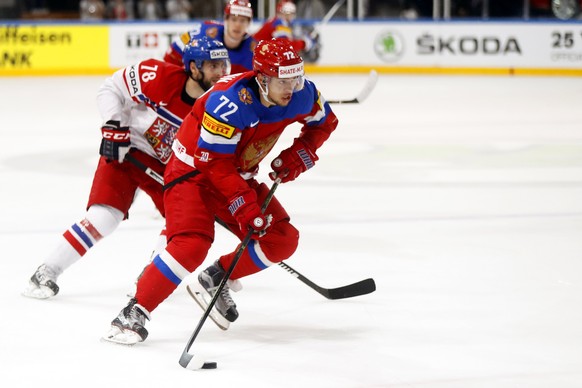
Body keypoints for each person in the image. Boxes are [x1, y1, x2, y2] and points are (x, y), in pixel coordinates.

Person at [103, 38, 339, 345]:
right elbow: (212, 162)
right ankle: (133, 312)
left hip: (236, 173)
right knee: (191, 244)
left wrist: (300, 153)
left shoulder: (302, 93)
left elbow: (325, 123)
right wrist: (243, 204)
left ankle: (216, 277)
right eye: (283, 81)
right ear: (262, 78)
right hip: (193, 173)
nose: (291, 88)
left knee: (282, 239)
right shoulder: (227, 102)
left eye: (295, 78)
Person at [23, 38, 231, 300]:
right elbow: (111, 88)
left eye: (223, 65)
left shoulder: (222, 106)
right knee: (103, 218)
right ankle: (46, 271)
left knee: (180, 225)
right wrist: (113, 126)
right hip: (128, 151)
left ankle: (149, 279)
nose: (222, 72)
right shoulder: (158, 75)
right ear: (193, 68)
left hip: (172, 170)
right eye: (213, 65)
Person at [164, 0, 256, 74]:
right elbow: (173, 52)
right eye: (234, 19)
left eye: (243, 21)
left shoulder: (254, 51)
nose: (237, 25)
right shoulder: (203, 31)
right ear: (226, 20)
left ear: (249, 23)